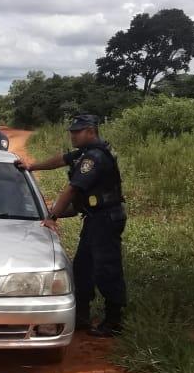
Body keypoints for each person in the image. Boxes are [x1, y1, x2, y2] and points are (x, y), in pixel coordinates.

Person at [15, 115, 127, 337]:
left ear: (90, 131)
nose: (73, 135)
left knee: (107, 269)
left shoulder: (94, 157)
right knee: (83, 268)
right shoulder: (85, 152)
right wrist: (32, 166)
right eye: (72, 131)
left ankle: (114, 321)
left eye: (77, 131)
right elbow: (61, 160)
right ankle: (82, 317)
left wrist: (52, 217)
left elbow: (72, 189)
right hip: (94, 218)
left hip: (105, 219)